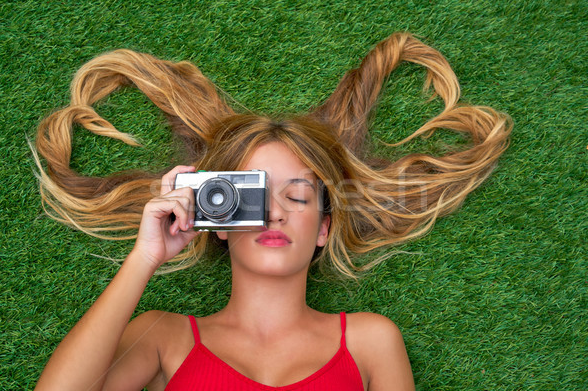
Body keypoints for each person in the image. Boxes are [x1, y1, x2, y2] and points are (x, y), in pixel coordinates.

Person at [33, 33, 511, 390]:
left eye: (299, 196)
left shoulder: (369, 341)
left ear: (324, 228)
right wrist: (145, 256)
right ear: (215, 221)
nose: (275, 214)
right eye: (251, 196)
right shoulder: (163, 336)